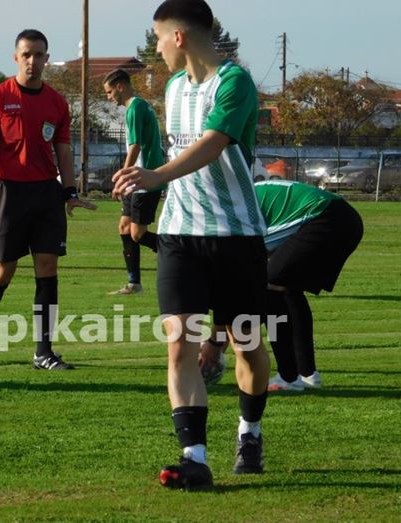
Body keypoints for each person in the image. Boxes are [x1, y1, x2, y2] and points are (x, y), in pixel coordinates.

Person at [113, 0, 270, 490]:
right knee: (179, 343)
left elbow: (213, 142)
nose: (157, 49)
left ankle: (249, 431)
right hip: (181, 234)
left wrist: (155, 174)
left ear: (178, 37)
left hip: (236, 236)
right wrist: (149, 180)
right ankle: (194, 458)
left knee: (246, 346)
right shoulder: (173, 88)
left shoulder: (234, 83)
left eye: (159, 39)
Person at [0, 29, 96, 370]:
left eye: (39, 55)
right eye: (26, 54)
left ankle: (43, 352)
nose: (32, 61)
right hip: (8, 192)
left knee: (48, 268)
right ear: (16, 57)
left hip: (46, 193)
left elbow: (63, 151)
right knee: (2, 271)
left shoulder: (57, 102)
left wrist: (70, 192)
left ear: (46, 59)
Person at [199, 181, 364, 391]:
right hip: (343, 217)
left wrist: (213, 345)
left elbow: (232, 295)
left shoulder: (228, 218)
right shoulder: (235, 201)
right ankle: (307, 374)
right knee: (288, 290)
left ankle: (289, 377)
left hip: (325, 217)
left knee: (270, 286)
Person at [102, 68, 165, 295]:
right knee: (124, 227)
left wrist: (123, 175)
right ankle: (134, 284)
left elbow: (135, 146)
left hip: (144, 179)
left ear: (120, 87)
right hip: (136, 179)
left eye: (109, 92)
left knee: (138, 233)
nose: (109, 97)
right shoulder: (137, 107)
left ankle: (180, 253)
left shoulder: (136, 107)